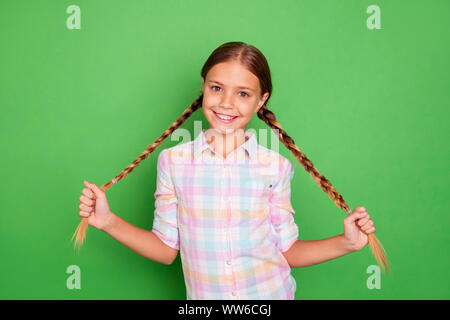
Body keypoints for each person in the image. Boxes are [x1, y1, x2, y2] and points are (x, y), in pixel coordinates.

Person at [77, 41, 379, 300]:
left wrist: (347, 243)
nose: (226, 103)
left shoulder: (275, 167)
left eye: (243, 94)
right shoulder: (174, 161)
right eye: (217, 88)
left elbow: (287, 251)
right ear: (204, 87)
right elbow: (166, 249)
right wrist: (107, 221)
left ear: (261, 101)